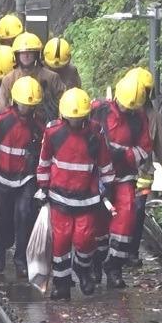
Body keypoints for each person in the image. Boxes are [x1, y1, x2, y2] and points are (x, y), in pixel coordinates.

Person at [35, 88, 114, 300]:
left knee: (84, 239)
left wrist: (108, 188)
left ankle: (83, 269)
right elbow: (44, 161)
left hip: (87, 199)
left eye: (80, 119)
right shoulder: (53, 133)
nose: (76, 123)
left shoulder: (95, 133)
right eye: (73, 119)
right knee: (60, 242)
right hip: (60, 197)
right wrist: (43, 186)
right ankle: (61, 284)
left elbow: (104, 163)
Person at [0, 76, 44, 276]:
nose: (27, 109)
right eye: (24, 105)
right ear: (15, 101)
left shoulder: (38, 126)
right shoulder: (1, 122)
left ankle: (20, 259)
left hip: (26, 180)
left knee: (24, 214)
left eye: (31, 106)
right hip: (2, 180)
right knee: (3, 219)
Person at [88, 72, 152, 288]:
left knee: (126, 218)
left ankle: (114, 266)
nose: (126, 111)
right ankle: (95, 265)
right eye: (124, 107)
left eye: (130, 108)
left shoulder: (139, 119)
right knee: (97, 222)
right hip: (98, 177)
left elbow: (144, 150)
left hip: (123, 176)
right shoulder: (98, 110)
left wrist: (122, 155)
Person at [128, 67, 162, 266]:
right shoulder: (117, 113)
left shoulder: (153, 116)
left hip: (142, 176)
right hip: (117, 175)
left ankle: (131, 252)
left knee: (138, 212)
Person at [0, 32, 66, 124]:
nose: (26, 55)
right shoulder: (9, 79)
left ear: (36, 54)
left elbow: (65, 105)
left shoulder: (51, 77)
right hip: (17, 128)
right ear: (16, 55)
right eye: (22, 52)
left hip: (44, 126)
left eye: (30, 52)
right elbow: (1, 109)